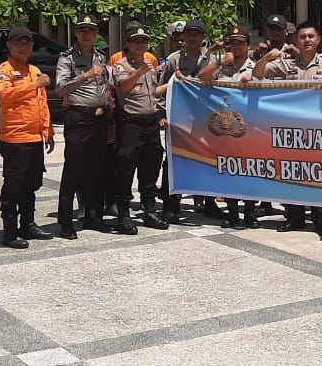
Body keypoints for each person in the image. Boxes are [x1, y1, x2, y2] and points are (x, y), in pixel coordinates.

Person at [254, 21, 322, 235]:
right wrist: (266, 58)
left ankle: (321, 218)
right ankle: (294, 216)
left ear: (318, 40)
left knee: (319, 175)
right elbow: (257, 75)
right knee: (292, 173)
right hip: (291, 131)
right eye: (303, 37)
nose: (307, 40)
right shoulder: (286, 64)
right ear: (295, 40)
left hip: (320, 131)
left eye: (311, 36)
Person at [0, 26, 56, 248]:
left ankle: (27, 225)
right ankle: (9, 232)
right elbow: (5, 96)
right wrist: (33, 85)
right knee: (13, 186)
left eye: (27, 43)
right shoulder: (5, 71)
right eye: (18, 43)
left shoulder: (34, 69)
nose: (23, 47)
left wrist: (48, 130)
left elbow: (41, 103)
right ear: (9, 45)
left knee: (31, 184)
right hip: (14, 139)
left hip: (34, 138)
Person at [53, 12, 109, 239]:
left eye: (91, 30)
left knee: (96, 170)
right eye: (83, 30)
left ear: (96, 34)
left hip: (100, 118)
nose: (87, 34)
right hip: (78, 118)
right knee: (73, 170)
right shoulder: (66, 58)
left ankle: (94, 216)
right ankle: (65, 220)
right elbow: (60, 89)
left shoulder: (101, 56)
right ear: (76, 33)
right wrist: (85, 76)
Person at [157, 19, 218, 223]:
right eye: (189, 34)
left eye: (197, 34)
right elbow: (161, 89)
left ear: (203, 38)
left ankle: (210, 203)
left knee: (207, 160)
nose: (192, 38)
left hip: (204, 120)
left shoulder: (211, 60)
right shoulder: (173, 60)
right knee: (173, 161)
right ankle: (170, 205)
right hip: (178, 120)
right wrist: (161, 115)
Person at [199, 26, 260, 229]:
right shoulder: (222, 66)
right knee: (229, 170)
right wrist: (218, 62)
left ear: (248, 46)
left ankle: (250, 213)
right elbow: (202, 78)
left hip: (250, 127)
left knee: (250, 170)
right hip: (227, 129)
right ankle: (232, 213)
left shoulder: (255, 66)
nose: (237, 46)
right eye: (233, 43)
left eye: (241, 43)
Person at [112, 22, 169, 235]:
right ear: (128, 43)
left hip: (150, 123)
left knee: (151, 167)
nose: (140, 44)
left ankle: (150, 211)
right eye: (136, 41)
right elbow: (123, 87)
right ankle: (124, 216)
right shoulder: (121, 65)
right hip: (131, 124)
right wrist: (139, 72)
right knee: (126, 169)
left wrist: (174, 83)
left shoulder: (150, 64)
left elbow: (154, 92)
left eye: (143, 41)